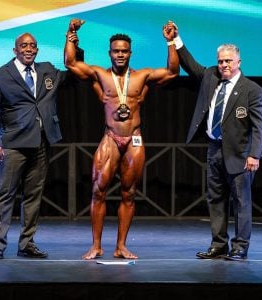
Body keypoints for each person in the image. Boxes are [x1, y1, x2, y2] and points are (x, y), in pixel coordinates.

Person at [64, 19, 180, 260]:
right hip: (110, 138)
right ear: (109, 53)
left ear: (130, 53)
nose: (120, 54)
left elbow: (172, 72)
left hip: (134, 139)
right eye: (116, 51)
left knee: (129, 193)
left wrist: (170, 41)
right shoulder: (99, 75)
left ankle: (121, 246)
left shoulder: (142, 77)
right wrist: (71, 34)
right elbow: (71, 63)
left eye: (124, 51)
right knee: (98, 191)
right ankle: (96, 245)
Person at [172, 24, 262, 260]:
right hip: (214, 149)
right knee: (215, 199)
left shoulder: (251, 90)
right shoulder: (210, 76)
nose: (224, 65)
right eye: (221, 61)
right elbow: (190, 65)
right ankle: (219, 245)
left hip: (239, 153)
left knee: (241, 203)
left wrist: (254, 154)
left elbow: (260, 125)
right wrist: (175, 40)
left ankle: (240, 246)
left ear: (238, 62)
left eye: (228, 61)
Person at [0, 32, 78, 259]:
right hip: (13, 145)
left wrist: (74, 43)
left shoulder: (47, 70)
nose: (28, 49)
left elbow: (74, 74)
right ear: (15, 50)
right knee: (5, 194)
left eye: (33, 46)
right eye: (24, 45)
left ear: (36, 50)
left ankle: (26, 243)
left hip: (41, 143)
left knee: (33, 196)